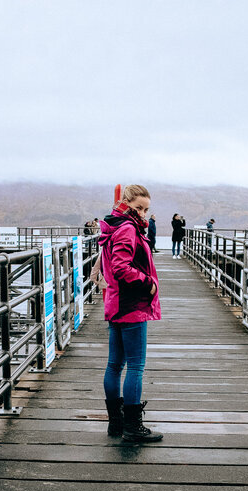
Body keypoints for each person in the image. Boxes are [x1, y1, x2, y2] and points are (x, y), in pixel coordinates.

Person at [98, 184, 163, 442]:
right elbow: (121, 266)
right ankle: (132, 427)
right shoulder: (127, 228)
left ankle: (116, 423)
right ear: (127, 204)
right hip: (131, 305)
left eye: (146, 209)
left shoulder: (117, 225)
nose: (143, 214)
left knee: (115, 364)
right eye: (139, 208)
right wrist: (148, 284)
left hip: (116, 303)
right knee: (135, 365)